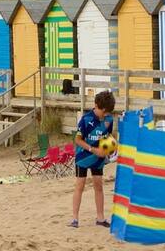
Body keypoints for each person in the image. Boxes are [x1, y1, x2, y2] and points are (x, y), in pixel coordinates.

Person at [69, 91, 115, 228]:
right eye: (103, 111)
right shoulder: (85, 119)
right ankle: (75, 219)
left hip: (98, 158)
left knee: (98, 185)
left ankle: (100, 218)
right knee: (80, 185)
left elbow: (108, 138)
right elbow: (77, 139)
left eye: (107, 112)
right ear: (96, 106)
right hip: (83, 156)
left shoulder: (109, 120)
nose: (105, 114)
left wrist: (109, 150)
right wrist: (93, 149)